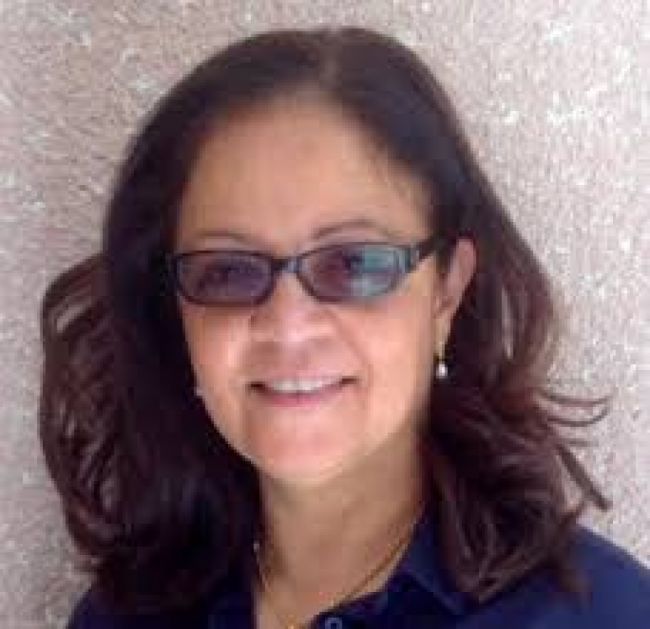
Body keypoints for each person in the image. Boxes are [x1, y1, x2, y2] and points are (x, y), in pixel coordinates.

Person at [38, 26, 649, 629]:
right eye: (227, 271)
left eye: (352, 264)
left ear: (447, 290)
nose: (288, 326)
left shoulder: (607, 616)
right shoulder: (123, 616)